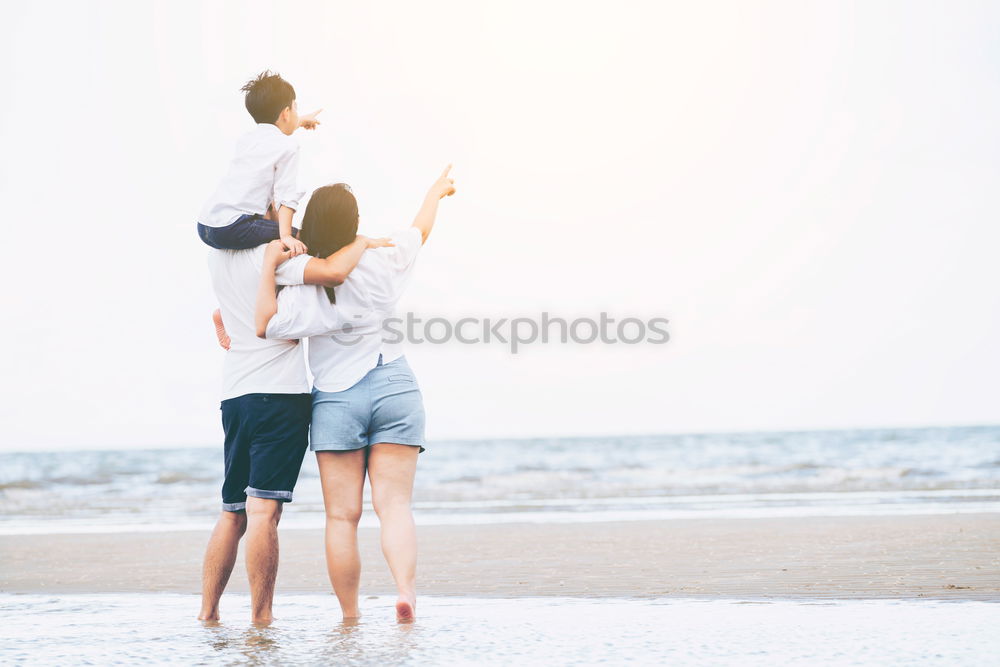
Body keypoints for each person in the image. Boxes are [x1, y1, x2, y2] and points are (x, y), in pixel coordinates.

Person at [253, 166, 457, 622]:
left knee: (342, 518)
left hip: (337, 399)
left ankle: (350, 615)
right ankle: (406, 593)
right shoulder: (382, 259)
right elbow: (420, 230)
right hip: (395, 387)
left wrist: (270, 268)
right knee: (395, 506)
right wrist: (435, 191)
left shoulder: (302, 284)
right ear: (354, 223)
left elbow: (266, 324)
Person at [197, 226, 393, 626]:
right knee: (264, 512)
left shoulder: (220, 260)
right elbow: (334, 272)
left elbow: (220, 311)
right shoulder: (279, 258)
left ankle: (208, 613)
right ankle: (261, 616)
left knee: (232, 511)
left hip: (235, 395)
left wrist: (223, 325)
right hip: (278, 395)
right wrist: (360, 242)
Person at [197, 70, 322, 348]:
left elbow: (274, 130)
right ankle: (283, 314)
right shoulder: (289, 146)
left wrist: (301, 120)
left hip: (207, 224)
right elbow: (287, 197)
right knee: (302, 243)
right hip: (234, 225)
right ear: (286, 112)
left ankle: (223, 312)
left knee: (265, 236)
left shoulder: (249, 139)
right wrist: (288, 235)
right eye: (296, 107)